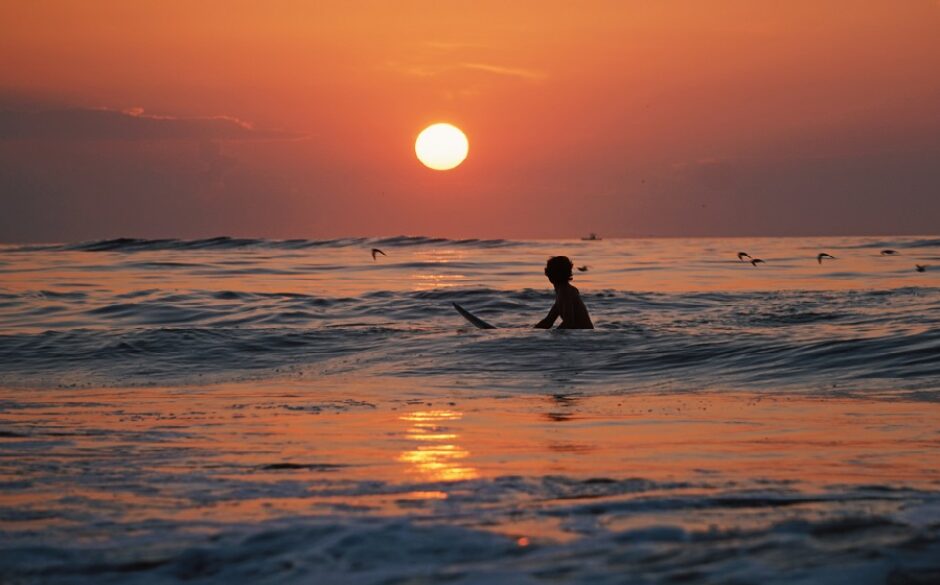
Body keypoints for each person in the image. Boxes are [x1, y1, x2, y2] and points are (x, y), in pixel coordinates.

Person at [534, 256, 594, 329]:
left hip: (583, 336)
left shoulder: (565, 292)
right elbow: (548, 321)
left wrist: (555, 336)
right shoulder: (563, 291)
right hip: (584, 335)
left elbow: (569, 323)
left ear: (548, 273)